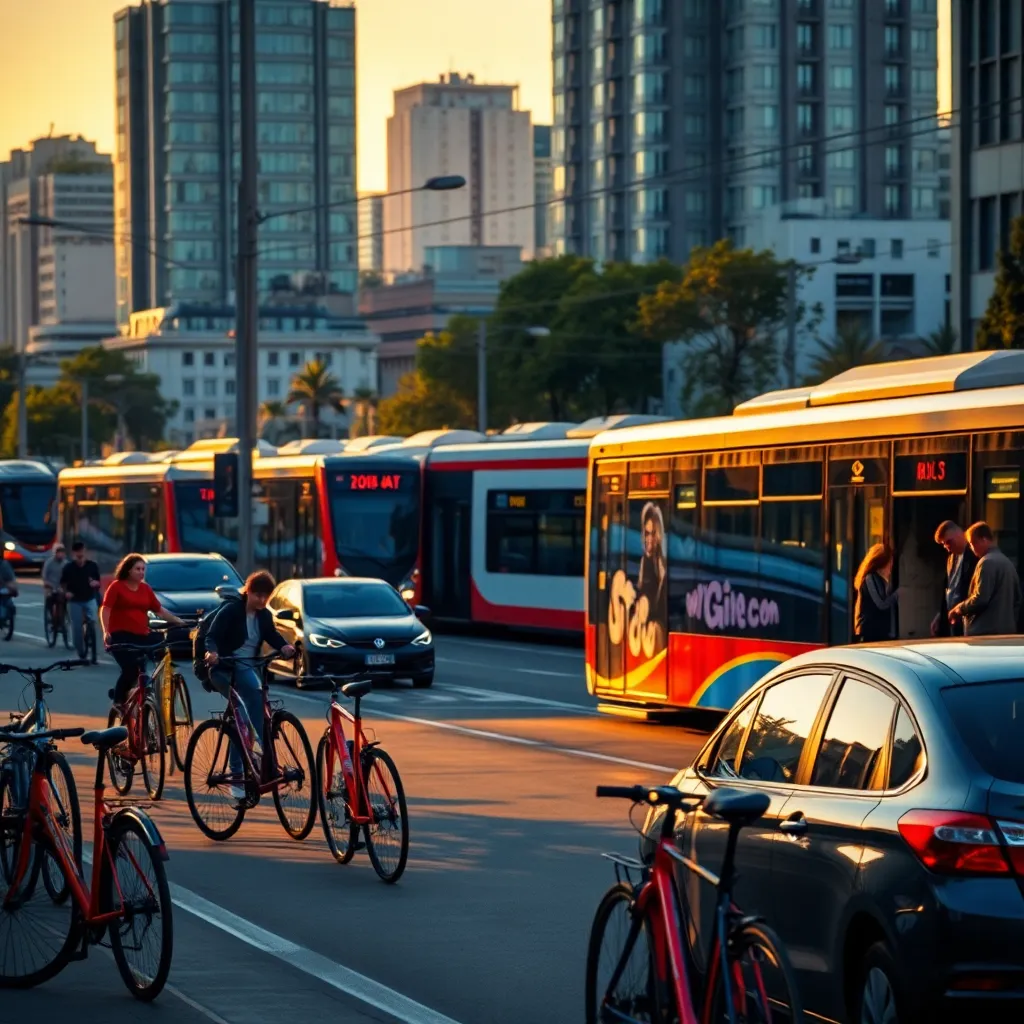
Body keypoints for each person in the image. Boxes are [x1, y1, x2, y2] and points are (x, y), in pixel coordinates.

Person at [205, 570, 294, 801]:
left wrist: (284, 647)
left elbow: (272, 635)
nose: (262, 601)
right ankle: (236, 775)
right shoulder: (231, 610)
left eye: (267, 596)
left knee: (259, 706)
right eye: (258, 596)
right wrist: (212, 653)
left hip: (246, 667)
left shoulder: (264, 615)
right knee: (241, 719)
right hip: (223, 667)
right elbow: (211, 636)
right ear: (248, 592)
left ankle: (265, 763)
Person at [100, 553, 186, 706]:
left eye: (143, 569)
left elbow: (159, 610)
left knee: (156, 653)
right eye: (137, 569)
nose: (141, 572)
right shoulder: (116, 587)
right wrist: (106, 631)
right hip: (120, 636)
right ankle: (118, 700)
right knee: (130, 669)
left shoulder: (145, 589)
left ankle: (142, 702)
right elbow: (106, 609)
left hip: (141, 635)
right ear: (128, 570)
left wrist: (178, 621)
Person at [949, 522, 1022, 636]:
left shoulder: (986, 562)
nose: (972, 548)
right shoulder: (1007, 562)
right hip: (1006, 632)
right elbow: (1017, 600)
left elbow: (980, 598)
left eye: (973, 543)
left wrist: (959, 609)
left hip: (984, 632)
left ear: (984, 539)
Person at [931, 521, 978, 638]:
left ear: (959, 534)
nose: (947, 547)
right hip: (952, 617)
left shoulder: (974, 554)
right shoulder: (951, 558)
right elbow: (949, 588)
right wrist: (940, 615)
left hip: (967, 616)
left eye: (948, 542)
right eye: (944, 544)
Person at [61, 541, 101, 662]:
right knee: (77, 627)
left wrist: (95, 583)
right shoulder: (69, 567)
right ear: (74, 553)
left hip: (89, 598)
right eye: (77, 551)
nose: (80, 553)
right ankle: (81, 651)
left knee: (93, 622)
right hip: (75, 600)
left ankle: (93, 650)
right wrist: (66, 592)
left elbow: (98, 581)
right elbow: (63, 583)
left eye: (82, 551)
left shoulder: (92, 566)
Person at [637, 502, 668, 652]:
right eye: (647, 533)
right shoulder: (645, 562)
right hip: (649, 634)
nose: (649, 538)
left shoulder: (664, 563)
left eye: (653, 533)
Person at [854, 543, 901, 642]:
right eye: (889, 563)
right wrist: (897, 594)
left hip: (879, 632)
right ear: (881, 563)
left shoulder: (881, 580)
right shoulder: (870, 578)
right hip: (871, 632)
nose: (891, 567)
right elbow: (881, 603)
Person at [42, 543, 68, 625]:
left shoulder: (66, 564)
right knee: (50, 599)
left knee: (66, 599)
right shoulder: (49, 563)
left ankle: (62, 617)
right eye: (58, 552)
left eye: (62, 552)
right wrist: (47, 584)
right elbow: (44, 576)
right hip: (51, 586)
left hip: (62, 587)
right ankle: (52, 615)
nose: (60, 554)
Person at [0, 547, 18, 626]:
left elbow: (11, 578)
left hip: (4, 587)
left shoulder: (5, 564)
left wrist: (13, 587)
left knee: (8, 601)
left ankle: (8, 615)